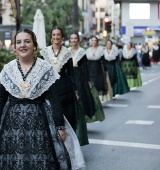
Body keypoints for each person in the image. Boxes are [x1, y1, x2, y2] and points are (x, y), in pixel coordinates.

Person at [0, 28, 71, 169]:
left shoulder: (45, 68)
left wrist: (60, 126)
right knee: (15, 160)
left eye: (27, 41)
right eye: (19, 42)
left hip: (39, 126)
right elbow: (1, 100)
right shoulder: (7, 69)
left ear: (34, 46)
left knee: (39, 161)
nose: (23, 45)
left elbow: (54, 99)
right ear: (14, 47)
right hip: (12, 127)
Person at [40, 26, 78, 130]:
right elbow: (41, 72)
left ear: (62, 37)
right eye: (54, 35)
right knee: (50, 117)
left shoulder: (67, 53)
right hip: (48, 88)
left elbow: (71, 73)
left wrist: (75, 90)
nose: (56, 37)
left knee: (67, 117)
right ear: (51, 37)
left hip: (65, 88)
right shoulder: (44, 52)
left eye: (58, 35)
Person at [68, 33, 96, 145]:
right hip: (70, 77)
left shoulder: (82, 52)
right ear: (69, 40)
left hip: (80, 78)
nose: (73, 40)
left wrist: (88, 81)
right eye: (72, 38)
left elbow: (85, 68)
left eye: (75, 38)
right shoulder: (66, 52)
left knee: (81, 101)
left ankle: (80, 124)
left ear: (78, 40)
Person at [86, 36, 112, 103]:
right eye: (92, 40)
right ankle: (91, 100)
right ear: (91, 41)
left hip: (98, 69)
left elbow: (103, 61)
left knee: (98, 85)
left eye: (95, 40)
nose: (94, 42)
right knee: (90, 85)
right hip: (89, 69)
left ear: (97, 42)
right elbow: (85, 62)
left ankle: (97, 100)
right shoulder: (87, 50)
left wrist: (105, 71)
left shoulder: (100, 50)